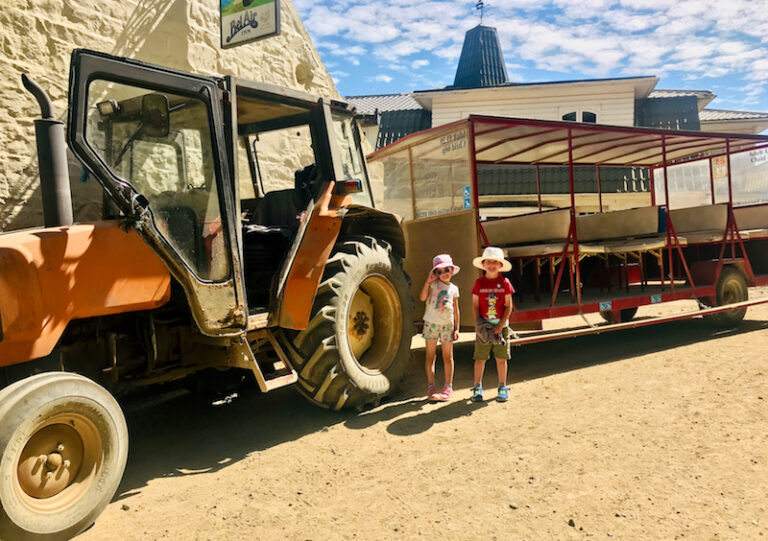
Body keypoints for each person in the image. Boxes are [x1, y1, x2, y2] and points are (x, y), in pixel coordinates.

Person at [471, 246, 515, 402]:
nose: (491, 264)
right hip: (484, 327)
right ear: (483, 264)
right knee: (480, 358)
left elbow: (508, 306)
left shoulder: (505, 283)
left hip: (500, 328)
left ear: (500, 265)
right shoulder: (478, 283)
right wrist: (478, 324)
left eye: (495, 262)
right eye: (488, 261)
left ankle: (502, 386)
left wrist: (500, 326)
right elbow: (475, 305)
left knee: (501, 358)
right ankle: (477, 387)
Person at [419, 254, 461, 401]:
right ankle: (431, 387)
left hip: (447, 325)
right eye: (439, 271)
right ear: (435, 273)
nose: (444, 274)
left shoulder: (454, 289)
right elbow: (423, 298)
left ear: (452, 270)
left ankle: (448, 387)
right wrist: (427, 282)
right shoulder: (432, 285)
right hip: (431, 323)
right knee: (430, 356)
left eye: (447, 269)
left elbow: (456, 309)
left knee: (448, 357)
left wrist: (457, 328)